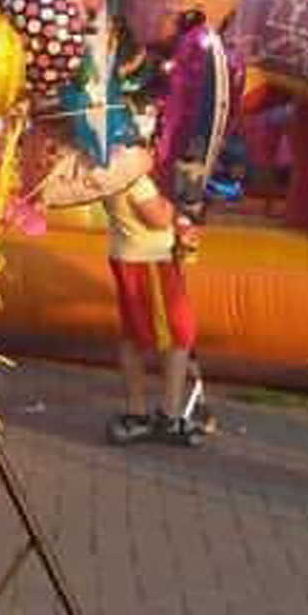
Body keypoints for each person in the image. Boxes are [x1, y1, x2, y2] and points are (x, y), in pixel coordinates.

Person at [102, 146, 200, 447]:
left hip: (130, 257)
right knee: (180, 336)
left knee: (133, 336)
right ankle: (168, 416)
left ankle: (137, 412)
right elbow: (157, 218)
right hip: (150, 263)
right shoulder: (135, 180)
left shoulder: (107, 174)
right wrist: (177, 211)